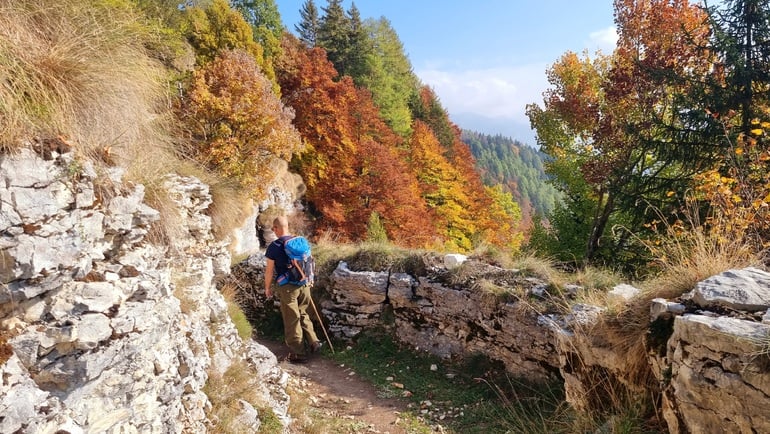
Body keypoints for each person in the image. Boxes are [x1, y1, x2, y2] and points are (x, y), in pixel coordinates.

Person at [264, 216, 321, 363]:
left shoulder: (275, 246)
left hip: (288, 287)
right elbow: (310, 262)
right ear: (287, 226)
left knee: (292, 319)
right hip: (304, 284)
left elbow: (269, 271)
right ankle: (314, 341)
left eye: (273, 229)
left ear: (276, 228)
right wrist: (310, 279)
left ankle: (299, 353)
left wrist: (267, 287)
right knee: (303, 313)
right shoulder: (300, 241)